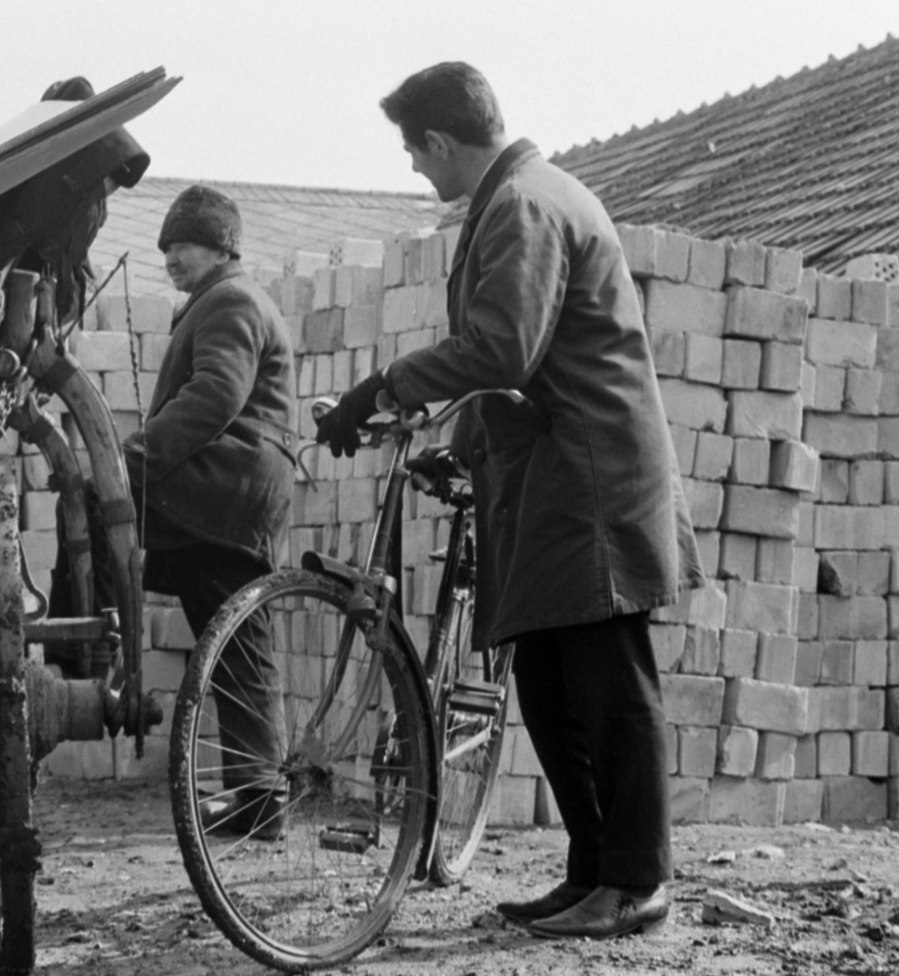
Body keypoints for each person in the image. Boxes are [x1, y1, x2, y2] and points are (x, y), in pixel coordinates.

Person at [315, 62, 705, 938]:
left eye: (415, 152)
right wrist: (454, 448)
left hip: (591, 480)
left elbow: (501, 349)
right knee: (550, 683)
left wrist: (384, 384)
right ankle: (592, 868)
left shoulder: (524, 205)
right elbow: (524, 365)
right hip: (560, 475)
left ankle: (637, 880)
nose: (415, 167)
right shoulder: (521, 196)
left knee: (609, 684)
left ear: (440, 140)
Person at [123, 184, 297, 840]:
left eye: (185, 245)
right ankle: (257, 797)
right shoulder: (221, 298)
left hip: (225, 490)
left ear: (223, 246)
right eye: (166, 247)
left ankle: (263, 799)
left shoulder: (230, 300)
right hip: (227, 491)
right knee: (233, 645)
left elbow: (218, 393)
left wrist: (140, 453)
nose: (171, 258)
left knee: (238, 643)